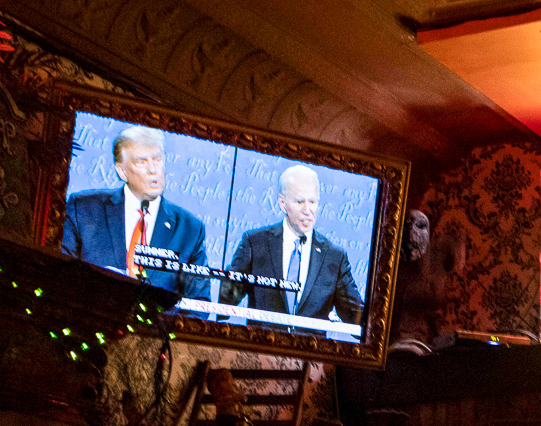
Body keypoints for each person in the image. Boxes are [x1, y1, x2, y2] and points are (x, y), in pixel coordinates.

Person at [61, 124, 209, 297]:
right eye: (142, 161)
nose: (153, 170)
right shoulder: (83, 209)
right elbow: (62, 278)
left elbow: (198, 302)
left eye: (157, 159)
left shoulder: (190, 229)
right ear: (122, 171)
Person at [219, 164, 364, 325]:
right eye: (300, 201)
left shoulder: (334, 257)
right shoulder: (255, 242)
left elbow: (357, 317)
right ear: (282, 203)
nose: (308, 210)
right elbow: (225, 301)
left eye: (313, 202)